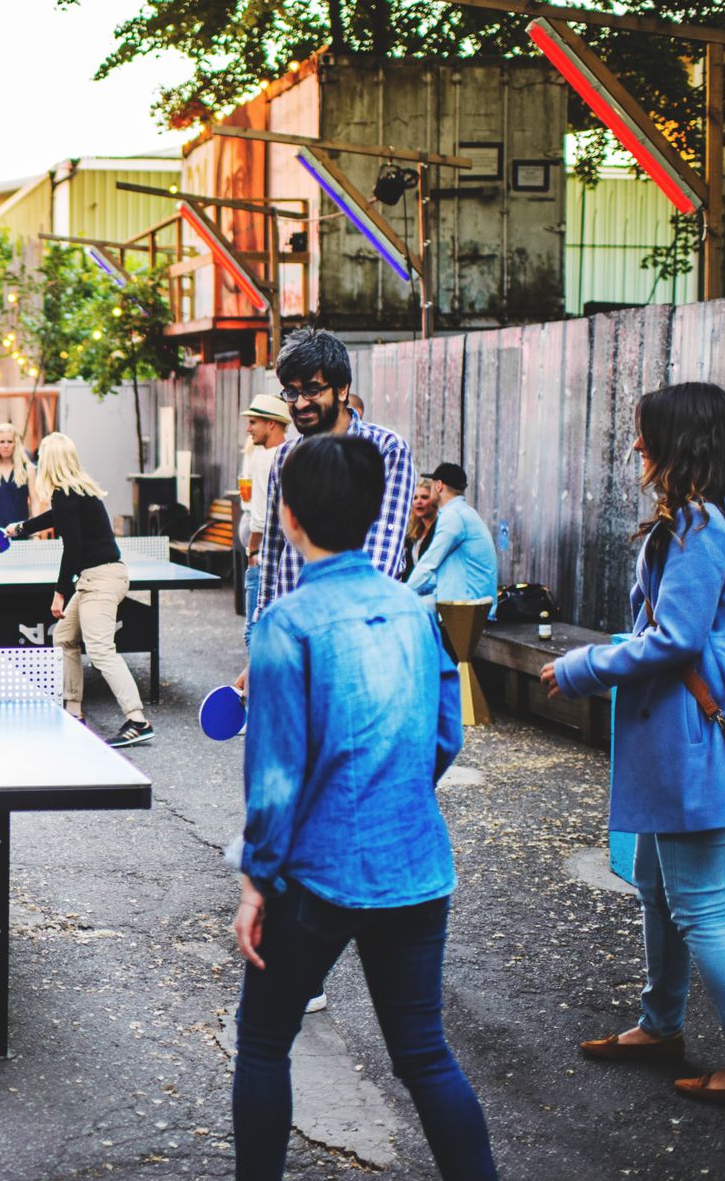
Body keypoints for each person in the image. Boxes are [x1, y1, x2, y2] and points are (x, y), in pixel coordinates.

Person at [232, 434, 496, 1179]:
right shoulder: (416, 613)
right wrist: (395, 791)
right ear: (378, 509)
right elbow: (446, 735)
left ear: (287, 515)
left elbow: (276, 777)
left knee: (262, 1045)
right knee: (424, 1058)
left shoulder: (286, 623)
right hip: (417, 864)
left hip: (316, 877)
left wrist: (256, 880)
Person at [542, 382, 725, 1111]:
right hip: (677, 743)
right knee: (654, 885)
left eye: (645, 433)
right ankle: (660, 1024)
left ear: (681, 441)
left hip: (690, 743)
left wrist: (582, 666)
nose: (636, 445)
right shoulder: (710, 520)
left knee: (700, 910)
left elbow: (675, 639)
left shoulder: (701, 526)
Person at [247, 330, 414, 676]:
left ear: (342, 390)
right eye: (291, 392)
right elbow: (274, 555)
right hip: (292, 641)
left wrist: (322, 632)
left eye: (311, 389)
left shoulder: (385, 450)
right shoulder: (285, 458)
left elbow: (383, 552)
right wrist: (262, 641)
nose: (301, 402)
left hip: (362, 638)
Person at [1, 432, 152, 749]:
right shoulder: (77, 491)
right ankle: (73, 710)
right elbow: (58, 519)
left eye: (41, 456)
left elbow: (72, 548)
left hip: (100, 579)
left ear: (49, 461)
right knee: (65, 636)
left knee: (100, 650)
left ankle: (137, 720)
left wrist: (59, 593)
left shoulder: (65, 495)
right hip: (96, 577)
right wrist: (20, 528)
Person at [405, 463, 498, 606]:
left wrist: (401, 593)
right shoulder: (464, 512)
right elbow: (439, 577)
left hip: (467, 608)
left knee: (407, 613)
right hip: (469, 601)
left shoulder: (453, 516)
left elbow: (429, 564)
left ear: (439, 486)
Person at [239, 394, 291, 647]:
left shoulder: (266, 458)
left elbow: (260, 516)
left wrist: (253, 550)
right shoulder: (291, 453)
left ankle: (257, 684)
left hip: (264, 556)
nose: (248, 428)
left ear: (272, 423)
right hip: (285, 556)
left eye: (253, 422)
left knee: (254, 630)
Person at [400, 476, 440, 583]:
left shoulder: (440, 529)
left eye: (424, 497)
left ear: (434, 500)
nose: (419, 501)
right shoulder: (411, 533)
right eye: (415, 498)